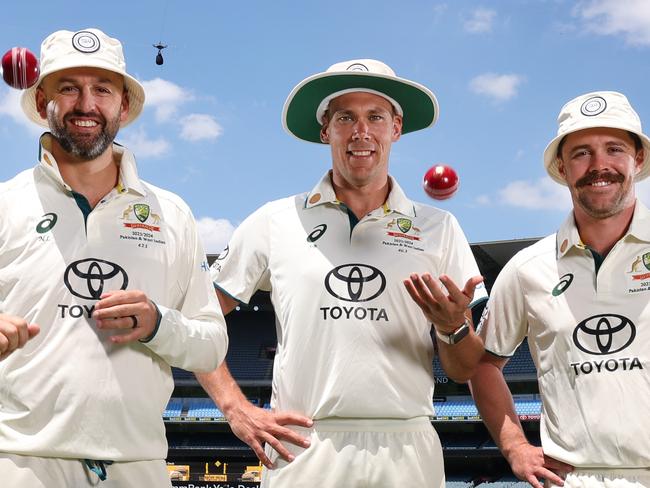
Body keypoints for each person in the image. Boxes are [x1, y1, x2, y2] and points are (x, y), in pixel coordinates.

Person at [197, 59, 487, 487]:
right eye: (345, 118)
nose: (361, 132)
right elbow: (196, 318)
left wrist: (451, 329)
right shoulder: (274, 219)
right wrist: (234, 408)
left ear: (396, 128)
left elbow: (465, 370)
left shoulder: (438, 228)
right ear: (324, 130)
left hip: (407, 445)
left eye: (375, 117)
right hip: (304, 444)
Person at [0, 28, 228, 487]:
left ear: (123, 105)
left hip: (137, 466)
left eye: (102, 89)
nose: (86, 105)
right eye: (69, 88)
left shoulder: (172, 214)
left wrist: (159, 324)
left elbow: (212, 345)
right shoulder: (5, 205)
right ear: (43, 99)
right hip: (20, 464)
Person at [470, 91, 650, 488]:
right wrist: (515, 446)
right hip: (572, 478)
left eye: (614, 149)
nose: (599, 165)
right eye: (581, 153)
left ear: (637, 160)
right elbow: (482, 365)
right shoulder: (527, 268)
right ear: (562, 167)